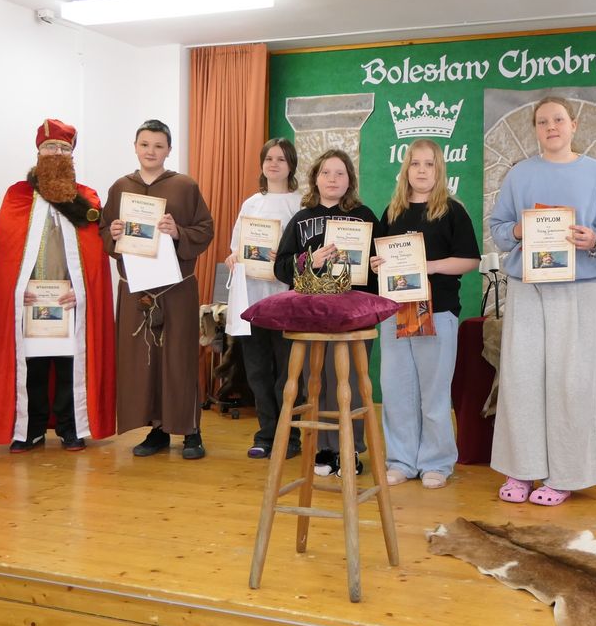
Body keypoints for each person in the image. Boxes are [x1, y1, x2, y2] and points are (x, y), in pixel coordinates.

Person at [487, 97, 596, 506]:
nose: (551, 127)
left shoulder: (595, 174)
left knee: (572, 382)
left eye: (558, 120)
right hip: (527, 287)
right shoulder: (519, 175)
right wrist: (517, 231)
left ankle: (565, 475)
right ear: (535, 129)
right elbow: (498, 228)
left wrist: (594, 239)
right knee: (521, 378)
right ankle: (520, 470)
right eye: (543, 121)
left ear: (573, 125)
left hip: (577, 288)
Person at [0, 119, 115, 453]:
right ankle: (31, 429)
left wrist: (82, 290)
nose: (56, 153)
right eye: (50, 147)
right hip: (30, 298)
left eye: (63, 148)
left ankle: (69, 427)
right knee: (33, 365)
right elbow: (6, 254)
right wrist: (18, 289)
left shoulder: (86, 199)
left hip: (70, 298)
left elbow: (95, 257)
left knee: (68, 364)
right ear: (38, 152)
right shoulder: (17, 196)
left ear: (72, 155)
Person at [369, 139, 480, 490]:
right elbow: (378, 261)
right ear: (406, 170)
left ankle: (436, 462)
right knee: (396, 391)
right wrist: (376, 264)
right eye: (415, 164)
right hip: (395, 311)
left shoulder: (452, 211)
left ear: (439, 169)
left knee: (433, 393)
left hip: (438, 311)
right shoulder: (392, 212)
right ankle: (401, 460)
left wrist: (428, 266)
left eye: (429, 164)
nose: (421, 170)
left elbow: (470, 260)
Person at [103, 119, 215, 459]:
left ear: (168, 150)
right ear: (135, 147)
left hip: (175, 289)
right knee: (144, 362)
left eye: (158, 146)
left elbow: (205, 229)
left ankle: (191, 431)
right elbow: (105, 232)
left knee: (179, 359)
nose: (151, 151)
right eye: (145, 144)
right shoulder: (121, 187)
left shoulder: (184, 186)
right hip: (136, 291)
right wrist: (114, 232)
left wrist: (178, 231)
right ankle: (157, 430)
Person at [274, 149, 385, 476]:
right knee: (317, 380)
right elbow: (281, 266)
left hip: (353, 312)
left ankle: (350, 450)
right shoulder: (301, 219)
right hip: (313, 312)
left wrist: (378, 266)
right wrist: (310, 260)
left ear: (350, 180)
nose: (332, 179)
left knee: (350, 381)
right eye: (326, 173)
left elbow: (382, 263)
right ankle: (323, 448)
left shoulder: (364, 216)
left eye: (340, 173)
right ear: (315, 178)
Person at [225, 138, 304, 460]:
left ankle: (291, 436)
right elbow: (236, 246)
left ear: (291, 165)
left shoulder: (299, 204)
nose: (274, 164)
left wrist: (284, 257)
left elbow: (305, 253)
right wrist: (233, 257)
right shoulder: (250, 204)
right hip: (252, 299)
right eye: (269, 158)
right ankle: (266, 435)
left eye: (281, 159)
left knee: (288, 373)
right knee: (258, 372)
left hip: (285, 300)